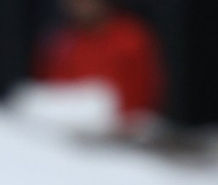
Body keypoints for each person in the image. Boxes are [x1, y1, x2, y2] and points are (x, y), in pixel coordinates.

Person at [36, 0, 166, 131]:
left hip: (123, 133)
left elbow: (145, 97)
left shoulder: (131, 38)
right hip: (69, 132)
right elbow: (52, 95)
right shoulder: (59, 41)